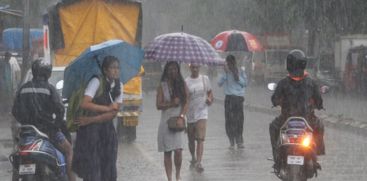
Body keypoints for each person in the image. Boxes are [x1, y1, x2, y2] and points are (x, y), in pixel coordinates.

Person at [12, 58, 75, 181]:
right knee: (69, 150)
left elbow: (15, 111)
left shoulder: (23, 88)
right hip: (47, 131)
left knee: (17, 157)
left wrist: (26, 121)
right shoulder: (49, 89)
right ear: (48, 73)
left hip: (26, 132)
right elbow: (60, 110)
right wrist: (55, 125)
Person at [269, 49, 325, 171]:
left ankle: (276, 158)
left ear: (288, 65)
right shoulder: (311, 83)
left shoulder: (283, 83)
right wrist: (318, 104)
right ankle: (316, 156)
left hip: (286, 119)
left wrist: (278, 102)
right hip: (308, 119)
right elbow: (319, 101)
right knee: (320, 126)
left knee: (273, 127)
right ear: (304, 64)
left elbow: (274, 100)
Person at [72, 56, 123, 181]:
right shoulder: (96, 81)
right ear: (105, 70)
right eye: (112, 67)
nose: (116, 70)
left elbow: (113, 114)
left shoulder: (119, 85)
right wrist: (107, 108)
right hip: (91, 133)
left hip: (107, 132)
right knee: (92, 169)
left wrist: (91, 120)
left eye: (117, 67)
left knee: (108, 167)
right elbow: (85, 103)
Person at [156, 61, 189, 181]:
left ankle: (177, 175)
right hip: (166, 122)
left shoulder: (182, 84)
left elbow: (186, 103)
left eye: (175, 69)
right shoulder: (162, 86)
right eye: (170, 69)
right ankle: (169, 178)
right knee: (168, 152)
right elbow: (158, 105)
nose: (172, 71)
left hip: (178, 121)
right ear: (166, 71)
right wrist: (171, 103)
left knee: (178, 150)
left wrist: (181, 117)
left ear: (178, 70)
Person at [185, 64, 213, 173]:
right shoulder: (186, 82)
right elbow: (185, 99)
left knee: (200, 139)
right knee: (191, 140)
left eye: (197, 67)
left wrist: (209, 99)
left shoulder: (205, 79)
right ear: (190, 68)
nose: (195, 69)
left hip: (202, 112)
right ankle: (193, 157)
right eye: (193, 67)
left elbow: (210, 93)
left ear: (199, 67)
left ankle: (199, 162)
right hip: (190, 114)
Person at [218, 54, 247, 149]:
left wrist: (237, 77)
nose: (229, 64)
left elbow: (244, 83)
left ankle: (239, 140)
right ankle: (232, 141)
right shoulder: (226, 73)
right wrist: (225, 74)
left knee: (238, 120)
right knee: (230, 121)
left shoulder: (240, 71)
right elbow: (219, 83)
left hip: (238, 99)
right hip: (229, 99)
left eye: (230, 62)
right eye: (228, 63)